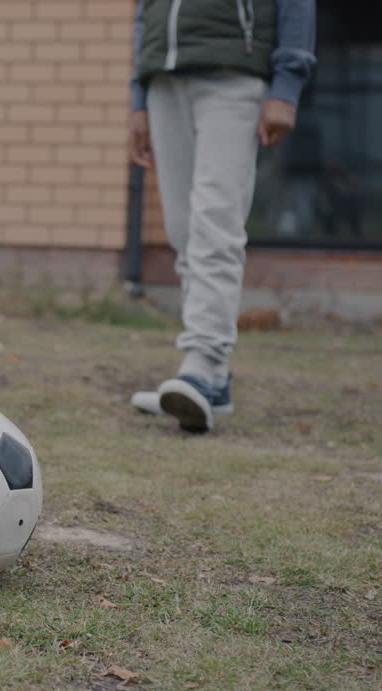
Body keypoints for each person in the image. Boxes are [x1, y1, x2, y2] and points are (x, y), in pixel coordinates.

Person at [126, 0, 316, 432]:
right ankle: (215, 381)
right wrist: (138, 97)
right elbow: (145, 12)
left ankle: (199, 363)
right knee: (183, 232)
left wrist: (286, 85)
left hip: (235, 76)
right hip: (163, 79)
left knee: (216, 223)